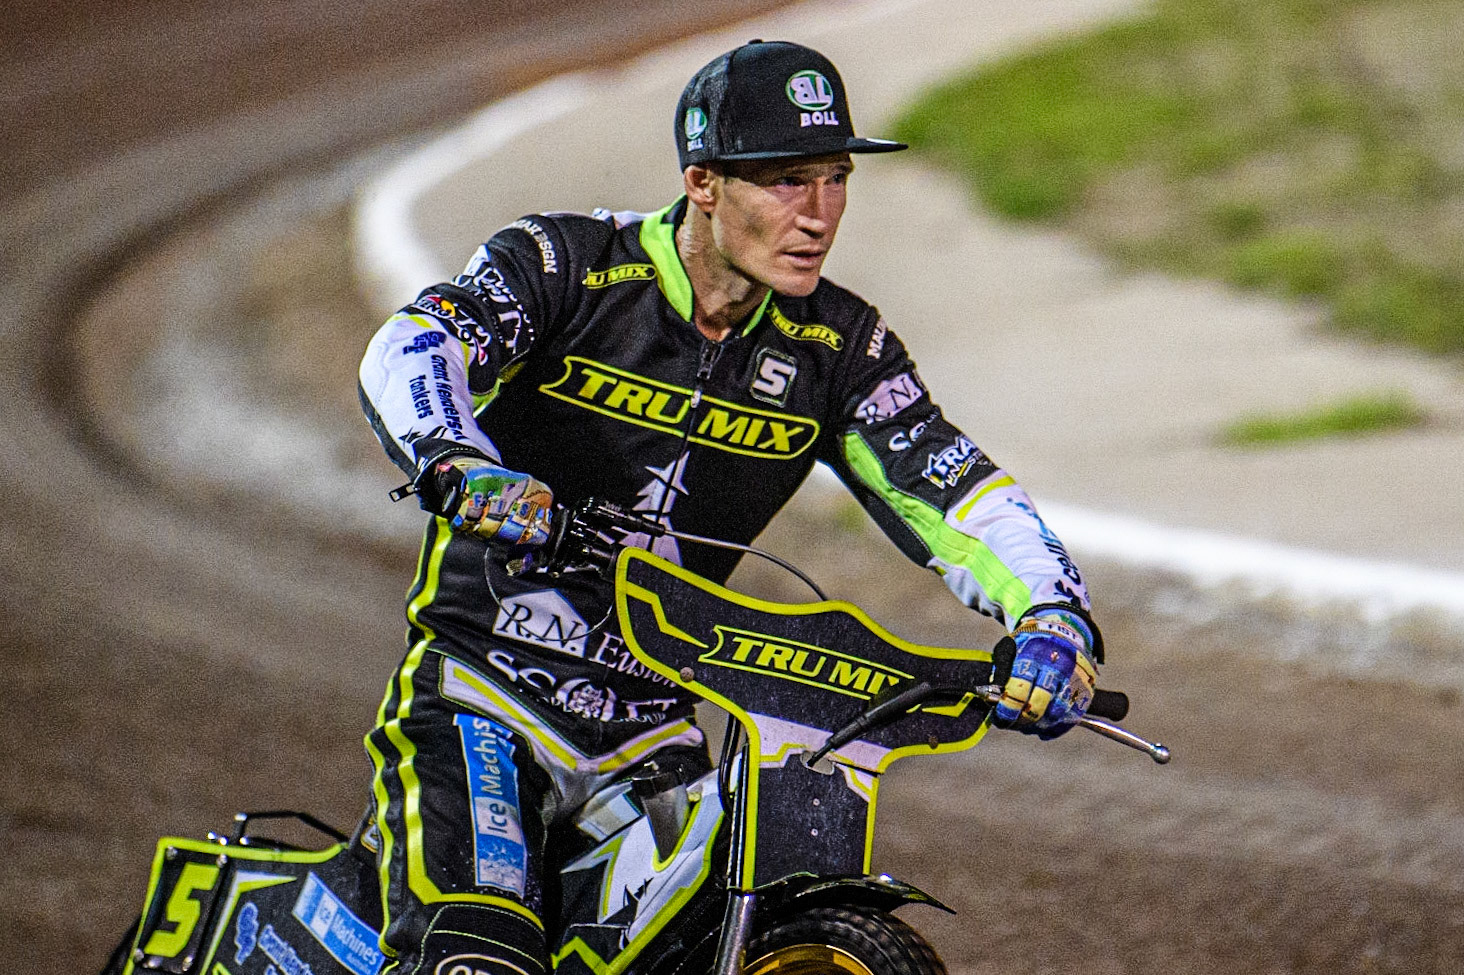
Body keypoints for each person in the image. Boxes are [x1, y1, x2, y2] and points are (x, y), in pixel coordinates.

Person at [357, 39, 1102, 975]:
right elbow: (415, 343)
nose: (820, 215)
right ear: (702, 182)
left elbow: (956, 488)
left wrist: (1053, 611)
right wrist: (462, 463)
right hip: (483, 701)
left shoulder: (841, 345)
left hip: (656, 732)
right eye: (788, 182)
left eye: (835, 179)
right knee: (482, 958)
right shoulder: (567, 263)